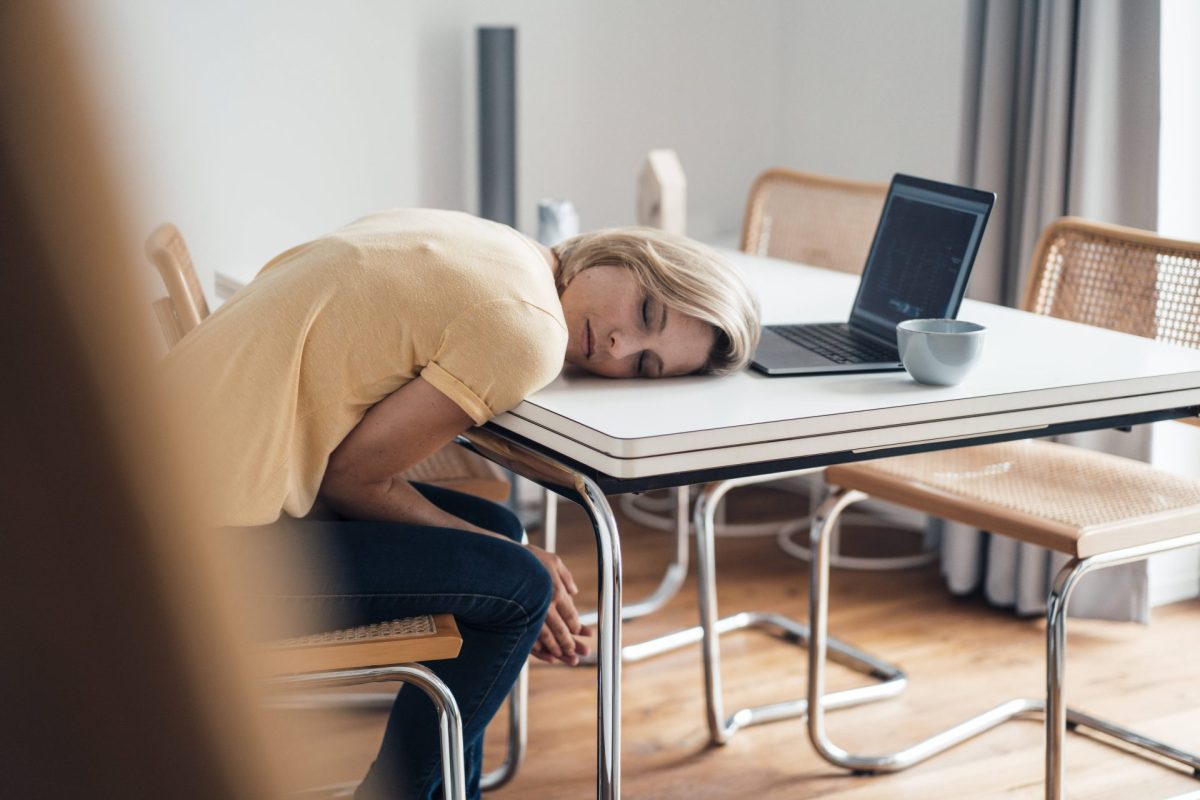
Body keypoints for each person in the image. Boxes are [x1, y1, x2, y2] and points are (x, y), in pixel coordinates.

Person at [163, 208, 760, 799]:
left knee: (502, 534)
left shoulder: (494, 243)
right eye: (646, 312)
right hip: (188, 554)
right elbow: (352, 481)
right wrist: (514, 565)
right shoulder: (529, 330)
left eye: (644, 365)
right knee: (519, 585)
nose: (617, 345)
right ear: (627, 258)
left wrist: (504, 548)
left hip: (154, 489)